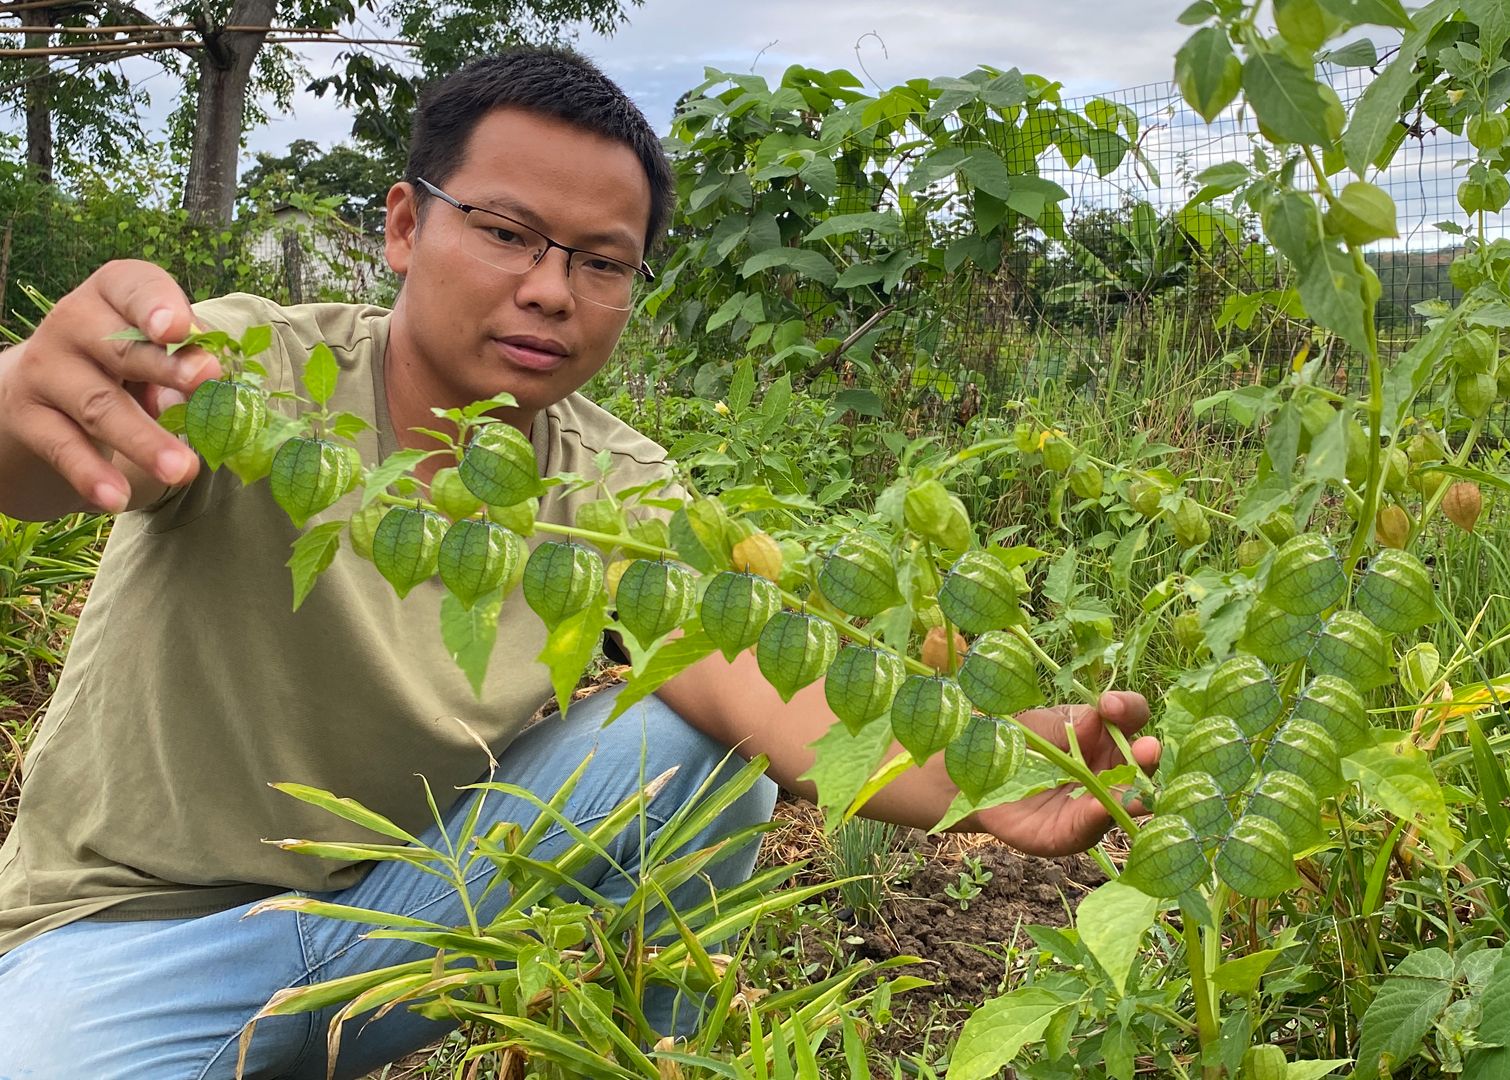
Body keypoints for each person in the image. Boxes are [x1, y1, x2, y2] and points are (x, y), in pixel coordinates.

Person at [0, 48, 1160, 1077]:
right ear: (405, 226)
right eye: (506, 233)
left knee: (699, 755)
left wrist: (979, 776)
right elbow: (67, 459)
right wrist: (27, 400)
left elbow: (742, 678)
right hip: (131, 944)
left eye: (603, 262)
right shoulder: (253, 381)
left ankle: (635, 1054)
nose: (552, 289)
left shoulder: (614, 481)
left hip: (403, 925)